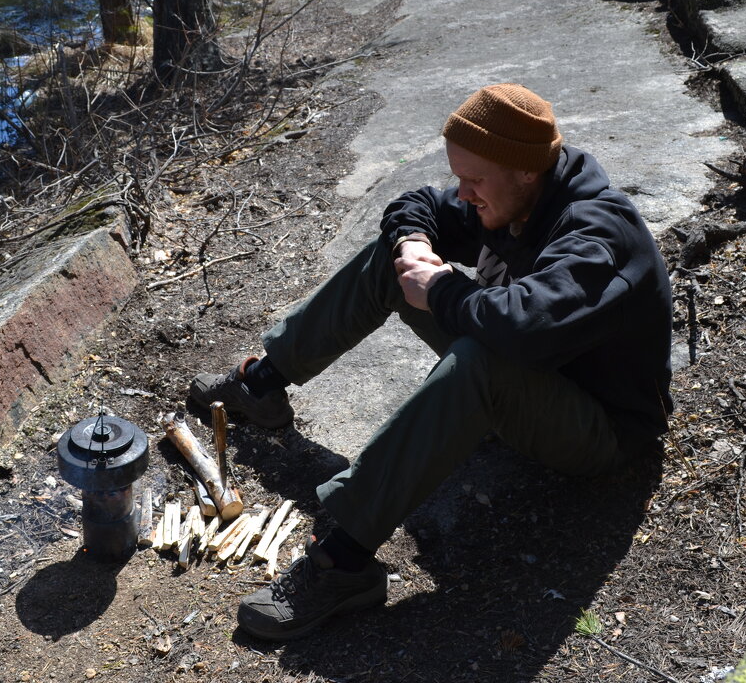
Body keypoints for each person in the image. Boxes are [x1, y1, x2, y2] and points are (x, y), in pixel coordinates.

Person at [188, 83, 673, 641]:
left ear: (525, 172)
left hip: (600, 429)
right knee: (394, 262)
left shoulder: (595, 236)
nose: (463, 193)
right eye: (460, 177)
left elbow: (526, 327)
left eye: (475, 180)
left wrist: (441, 290)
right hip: (536, 382)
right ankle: (264, 384)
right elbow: (417, 204)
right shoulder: (511, 196)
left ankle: (343, 561)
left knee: (478, 358)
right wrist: (414, 246)